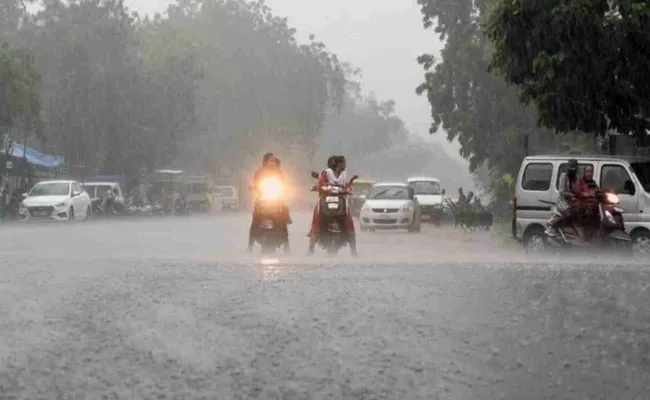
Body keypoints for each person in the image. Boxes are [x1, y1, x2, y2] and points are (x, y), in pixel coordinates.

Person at [308, 155, 358, 256]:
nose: (345, 165)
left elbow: (346, 185)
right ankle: (310, 249)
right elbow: (321, 182)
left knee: (348, 219)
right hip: (326, 198)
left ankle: (354, 250)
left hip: (340, 199)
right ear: (338, 164)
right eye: (344, 163)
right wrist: (317, 187)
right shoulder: (327, 173)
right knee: (317, 217)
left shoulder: (343, 174)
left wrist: (350, 186)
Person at [248, 153, 290, 252]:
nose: (272, 162)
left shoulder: (278, 171)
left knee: (284, 217)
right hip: (262, 199)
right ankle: (250, 246)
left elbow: (283, 182)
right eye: (270, 160)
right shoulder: (260, 171)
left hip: (276, 199)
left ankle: (287, 246)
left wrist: (284, 186)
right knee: (255, 220)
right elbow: (253, 182)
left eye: (273, 160)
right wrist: (252, 186)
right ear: (265, 161)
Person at [545, 159, 579, 237]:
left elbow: (577, 188)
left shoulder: (576, 176)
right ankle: (552, 224)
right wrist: (571, 194)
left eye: (574, 167)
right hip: (563, 200)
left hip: (572, 201)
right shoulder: (563, 176)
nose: (572, 169)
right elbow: (561, 191)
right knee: (568, 213)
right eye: (571, 166)